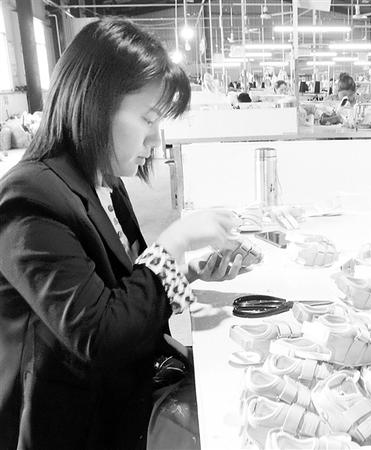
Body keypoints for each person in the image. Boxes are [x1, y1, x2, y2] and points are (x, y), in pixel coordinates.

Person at [0, 19, 245, 449]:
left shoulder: (105, 183)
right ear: (95, 104)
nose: (155, 140)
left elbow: (120, 288)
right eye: (148, 119)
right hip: (69, 428)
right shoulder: (29, 197)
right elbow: (100, 334)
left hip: (122, 406)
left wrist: (186, 272)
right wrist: (174, 242)